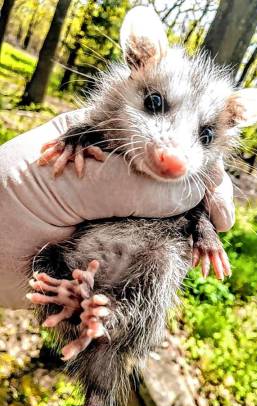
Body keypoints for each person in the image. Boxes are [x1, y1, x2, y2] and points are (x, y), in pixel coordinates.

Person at [0, 110, 235, 309]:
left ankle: (95, 316)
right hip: (69, 256)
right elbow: (94, 129)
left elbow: (193, 211)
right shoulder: (114, 122)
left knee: (149, 270)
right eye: (155, 105)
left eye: (205, 136)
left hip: (126, 266)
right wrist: (76, 138)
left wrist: (205, 231)